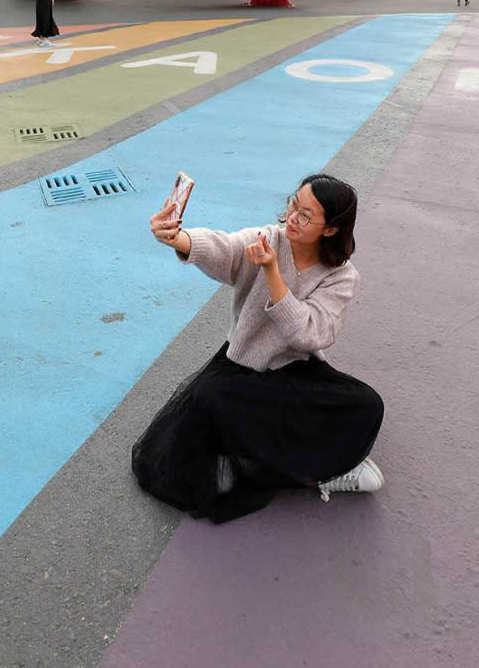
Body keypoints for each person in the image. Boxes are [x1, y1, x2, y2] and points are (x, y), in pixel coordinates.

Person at [132, 174, 385, 524]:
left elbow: (311, 335)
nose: (292, 216)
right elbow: (225, 247)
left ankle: (318, 468)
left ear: (330, 230)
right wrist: (178, 238)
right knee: (210, 396)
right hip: (243, 369)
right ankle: (299, 470)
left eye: (306, 214)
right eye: (293, 204)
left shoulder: (340, 276)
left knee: (368, 405)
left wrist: (272, 274)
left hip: (297, 369)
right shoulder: (267, 240)